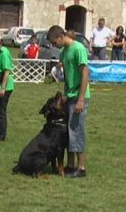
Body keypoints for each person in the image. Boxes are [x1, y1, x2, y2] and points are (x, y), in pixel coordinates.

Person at [47, 25, 90, 178]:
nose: (54, 45)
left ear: (60, 36)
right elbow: (67, 76)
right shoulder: (63, 52)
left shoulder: (78, 49)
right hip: (70, 95)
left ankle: (81, 168)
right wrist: (65, 95)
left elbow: (85, 74)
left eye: (54, 42)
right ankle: (70, 165)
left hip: (79, 96)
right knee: (70, 132)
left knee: (77, 131)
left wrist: (80, 99)